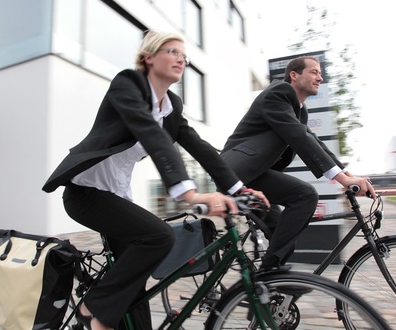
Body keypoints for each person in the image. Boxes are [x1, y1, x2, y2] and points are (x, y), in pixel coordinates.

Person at [42, 31, 268, 330]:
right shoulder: (127, 85)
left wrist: (240, 188)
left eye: (184, 56)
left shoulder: (171, 105)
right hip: (85, 193)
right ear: (148, 57)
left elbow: (200, 148)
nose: (181, 59)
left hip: (116, 196)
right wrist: (191, 195)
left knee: (134, 281)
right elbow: (151, 134)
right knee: (160, 236)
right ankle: (90, 308)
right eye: (172, 51)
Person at [220, 55, 376, 270]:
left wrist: (349, 176)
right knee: (304, 195)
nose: (320, 77)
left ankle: (269, 285)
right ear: (294, 75)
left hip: (253, 175)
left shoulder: (298, 109)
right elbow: (299, 137)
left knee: (280, 233)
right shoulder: (278, 94)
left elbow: (314, 142)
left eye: (320, 73)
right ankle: (267, 277)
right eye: (314, 72)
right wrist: (341, 180)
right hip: (238, 173)